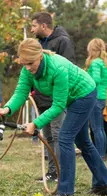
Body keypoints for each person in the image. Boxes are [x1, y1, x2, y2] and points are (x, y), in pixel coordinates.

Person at [0, 38, 107, 196]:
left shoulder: (57, 68)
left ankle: (66, 194)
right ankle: (103, 183)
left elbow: (58, 106)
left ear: (40, 56)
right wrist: (6, 109)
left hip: (85, 94)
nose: (28, 68)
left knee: (64, 138)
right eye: (24, 64)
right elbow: (21, 91)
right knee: (82, 141)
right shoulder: (28, 70)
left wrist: (35, 124)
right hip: (74, 98)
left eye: (30, 63)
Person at [31, 12, 76, 181]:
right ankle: (52, 172)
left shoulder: (63, 41)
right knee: (48, 137)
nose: (32, 29)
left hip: (56, 99)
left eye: (34, 25)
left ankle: (62, 173)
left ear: (43, 26)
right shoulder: (39, 43)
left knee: (58, 135)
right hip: (41, 98)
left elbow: (68, 69)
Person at [85, 38, 107, 158]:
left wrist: (85, 80)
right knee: (100, 128)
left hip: (95, 97)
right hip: (102, 97)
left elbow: (96, 79)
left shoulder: (95, 63)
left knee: (96, 129)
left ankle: (100, 155)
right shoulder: (103, 63)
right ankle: (103, 153)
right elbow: (106, 81)